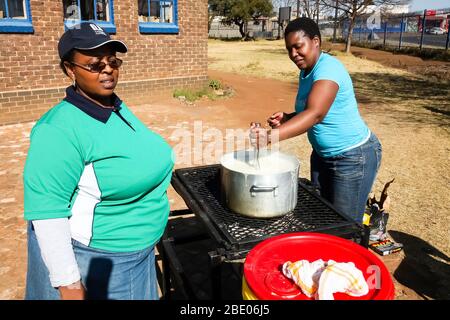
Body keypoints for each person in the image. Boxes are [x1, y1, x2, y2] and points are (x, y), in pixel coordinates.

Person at [23, 22, 174, 300]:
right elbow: (47, 213)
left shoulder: (113, 105)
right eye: (94, 64)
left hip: (137, 254)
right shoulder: (58, 130)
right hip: (105, 261)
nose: (107, 69)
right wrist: (69, 285)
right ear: (70, 70)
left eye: (113, 61)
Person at [251, 17, 382, 224]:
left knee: (344, 227)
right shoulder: (307, 70)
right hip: (322, 157)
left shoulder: (328, 69)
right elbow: (311, 111)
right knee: (323, 217)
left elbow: (315, 114)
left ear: (316, 41)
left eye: (298, 46)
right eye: (289, 49)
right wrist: (288, 118)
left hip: (352, 158)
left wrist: (270, 136)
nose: (293, 54)